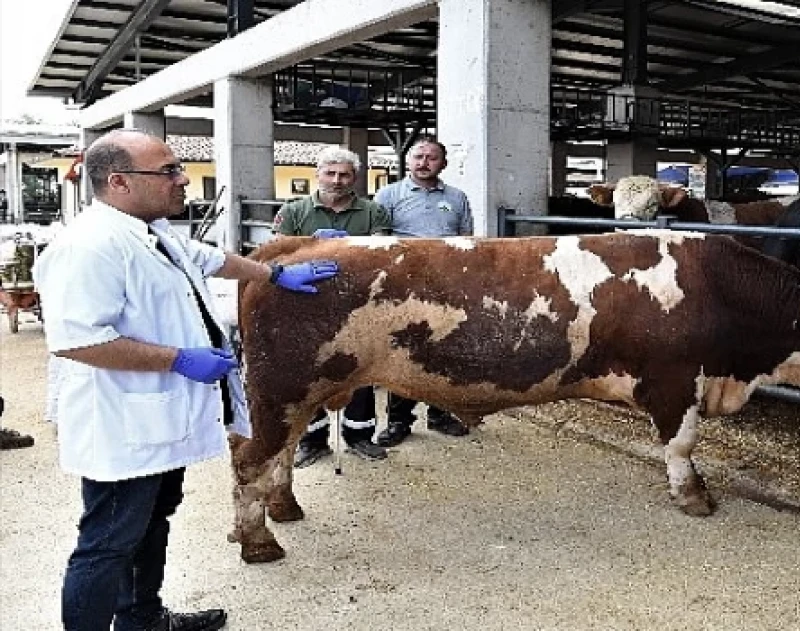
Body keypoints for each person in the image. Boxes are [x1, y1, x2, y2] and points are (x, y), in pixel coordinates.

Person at [33, 129, 339, 631]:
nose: (183, 181)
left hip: (157, 420)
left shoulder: (151, 231)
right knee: (107, 542)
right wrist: (177, 359)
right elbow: (75, 341)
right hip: (121, 423)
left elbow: (211, 259)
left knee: (153, 523)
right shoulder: (89, 246)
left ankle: (143, 619)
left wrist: (275, 274)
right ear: (119, 182)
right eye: (169, 171)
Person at [274, 147, 393, 468]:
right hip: (306, 301)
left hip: (357, 304)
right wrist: (309, 243)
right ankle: (312, 439)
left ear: (355, 178)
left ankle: (360, 436)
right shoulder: (294, 211)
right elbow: (276, 255)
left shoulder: (373, 213)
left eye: (345, 175)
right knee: (311, 371)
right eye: (331, 173)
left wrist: (349, 249)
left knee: (362, 367)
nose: (337, 180)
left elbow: (382, 255)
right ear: (318, 174)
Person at [371, 138, 473, 446]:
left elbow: (467, 242)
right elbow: (377, 242)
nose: (424, 162)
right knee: (403, 352)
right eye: (418, 156)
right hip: (405, 288)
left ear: (443, 163)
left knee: (445, 350)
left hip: (447, 287)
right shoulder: (388, 195)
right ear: (408, 161)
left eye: (432, 158)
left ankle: (440, 414)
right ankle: (399, 421)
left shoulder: (457, 198)